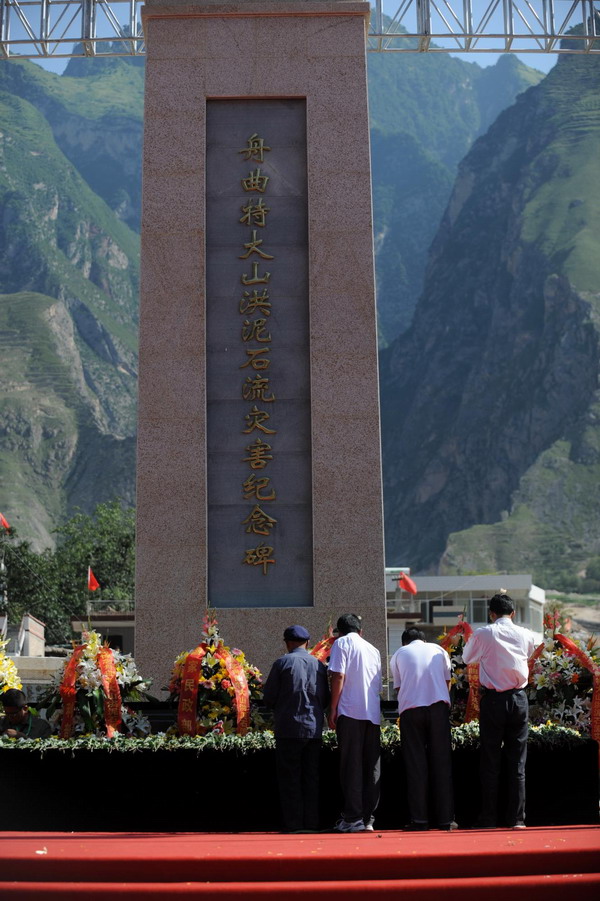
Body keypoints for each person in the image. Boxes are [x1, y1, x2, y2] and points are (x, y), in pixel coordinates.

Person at [462, 592, 537, 829]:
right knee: (518, 763)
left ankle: (488, 817)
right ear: (513, 613)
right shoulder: (525, 634)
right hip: (519, 699)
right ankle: (517, 819)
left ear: (491, 614)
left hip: (493, 700)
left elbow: (466, 658)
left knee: (490, 761)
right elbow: (528, 654)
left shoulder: (485, 633)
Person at [263, 624, 330, 833]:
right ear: (308, 643)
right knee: (311, 778)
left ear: (286, 643)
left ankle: (294, 824)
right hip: (313, 728)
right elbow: (326, 698)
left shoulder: (281, 663)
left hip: (288, 728)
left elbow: (269, 698)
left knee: (290, 778)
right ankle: (311, 823)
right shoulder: (319, 665)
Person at [390, 628, 456, 831]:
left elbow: (399, 687)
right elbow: (447, 682)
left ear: (404, 642)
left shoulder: (399, 654)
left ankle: (419, 819)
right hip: (438, 708)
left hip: (411, 711)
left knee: (416, 764)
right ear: (423, 639)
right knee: (441, 763)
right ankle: (446, 819)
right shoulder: (439, 649)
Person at [328, 613, 382, 833]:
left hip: (350, 710)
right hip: (372, 712)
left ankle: (353, 818)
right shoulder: (373, 649)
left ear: (338, 632)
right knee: (371, 767)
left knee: (351, 765)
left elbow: (338, 676)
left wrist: (333, 707)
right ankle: (368, 818)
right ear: (361, 631)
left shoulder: (341, 643)